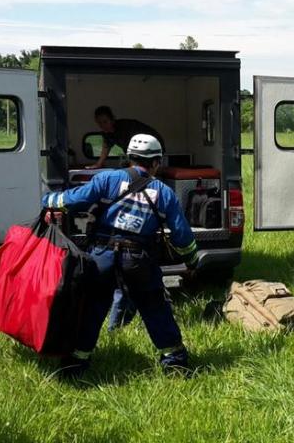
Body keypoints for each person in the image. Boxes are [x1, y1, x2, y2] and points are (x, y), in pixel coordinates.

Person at [43, 134, 198, 377]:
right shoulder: (164, 193)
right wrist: (191, 260)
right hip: (139, 261)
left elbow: (72, 200)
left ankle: (75, 364)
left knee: (92, 309)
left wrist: (47, 202)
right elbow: (182, 235)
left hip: (101, 256)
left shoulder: (107, 179)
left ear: (129, 158)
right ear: (156, 162)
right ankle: (175, 364)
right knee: (155, 308)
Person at [88, 106, 166, 169]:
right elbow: (106, 147)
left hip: (155, 148)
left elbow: (133, 150)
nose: (102, 125)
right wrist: (99, 164)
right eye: (99, 123)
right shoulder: (107, 133)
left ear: (112, 119)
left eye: (105, 122)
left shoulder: (126, 128)